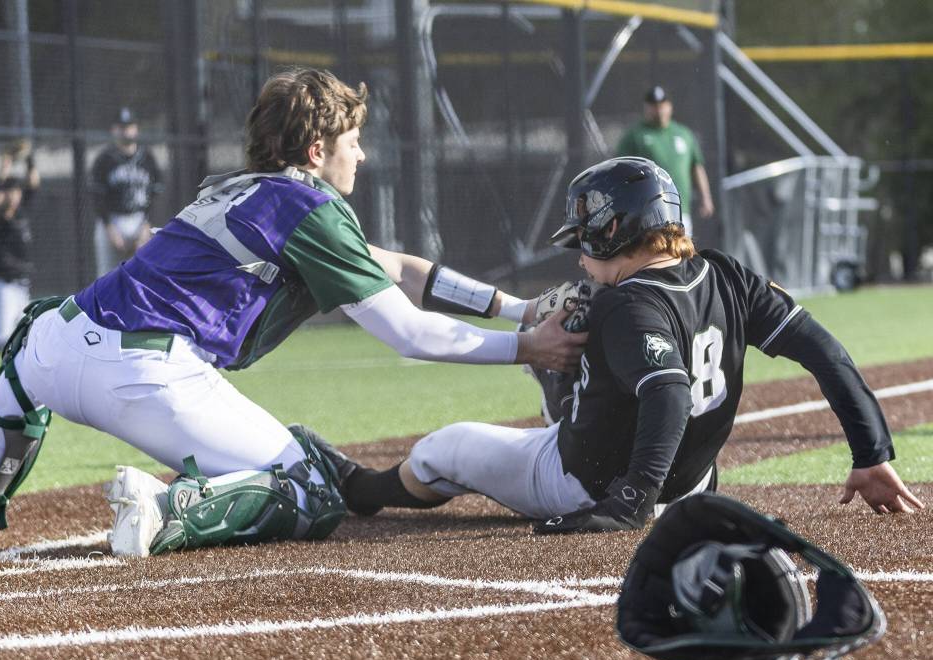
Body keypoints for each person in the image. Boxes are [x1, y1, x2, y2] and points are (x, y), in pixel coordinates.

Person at [0, 68, 586, 556]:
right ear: (313, 150)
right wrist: (531, 347)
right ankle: (166, 507)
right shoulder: (314, 211)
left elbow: (403, 268)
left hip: (62, 336)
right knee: (309, 489)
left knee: (28, 349)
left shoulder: (235, 187)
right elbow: (410, 332)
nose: (360, 152)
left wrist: (519, 307)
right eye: (351, 139)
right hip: (146, 372)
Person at [337, 157, 922, 532]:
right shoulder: (728, 274)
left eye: (585, 235)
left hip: (591, 478)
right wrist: (871, 455)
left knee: (449, 446)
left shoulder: (621, 302)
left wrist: (629, 501)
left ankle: (357, 489)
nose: (579, 251)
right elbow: (827, 353)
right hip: (691, 479)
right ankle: (560, 393)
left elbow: (667, 394)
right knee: (590, 346)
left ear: (614, 228)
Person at [617, 86, 713, 237]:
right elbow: (621, 171)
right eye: (653, 106)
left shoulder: (684, 133)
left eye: (662, 105)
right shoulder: (635, 136)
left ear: (670, 106)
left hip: (681, 210)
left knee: (682, 252)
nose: (658, 110)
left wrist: (705, 197)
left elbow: (696, 167)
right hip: (649, 211)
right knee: (657, 253)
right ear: (646, 108)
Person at [0, 141, 40, 349]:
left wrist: (29, 160)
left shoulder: (21, 213)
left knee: (23, 338)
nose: (13, 194)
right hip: (0, 287)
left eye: (15, 190)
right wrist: (6, 163)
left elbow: (33, 183)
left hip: (21, 287)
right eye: (8, 190)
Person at [90, 107, 162, 276]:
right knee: (106, 277)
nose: (126, 131)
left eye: (129, 126)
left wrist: (146, 225)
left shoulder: (147, 158)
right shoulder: (104, 159)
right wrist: (110, 228)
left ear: (136, 128)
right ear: (113, 130)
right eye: (121, 127)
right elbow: (98, 198)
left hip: (140, 219)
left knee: (143, 275)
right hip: (112, 220)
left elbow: (155, 195)